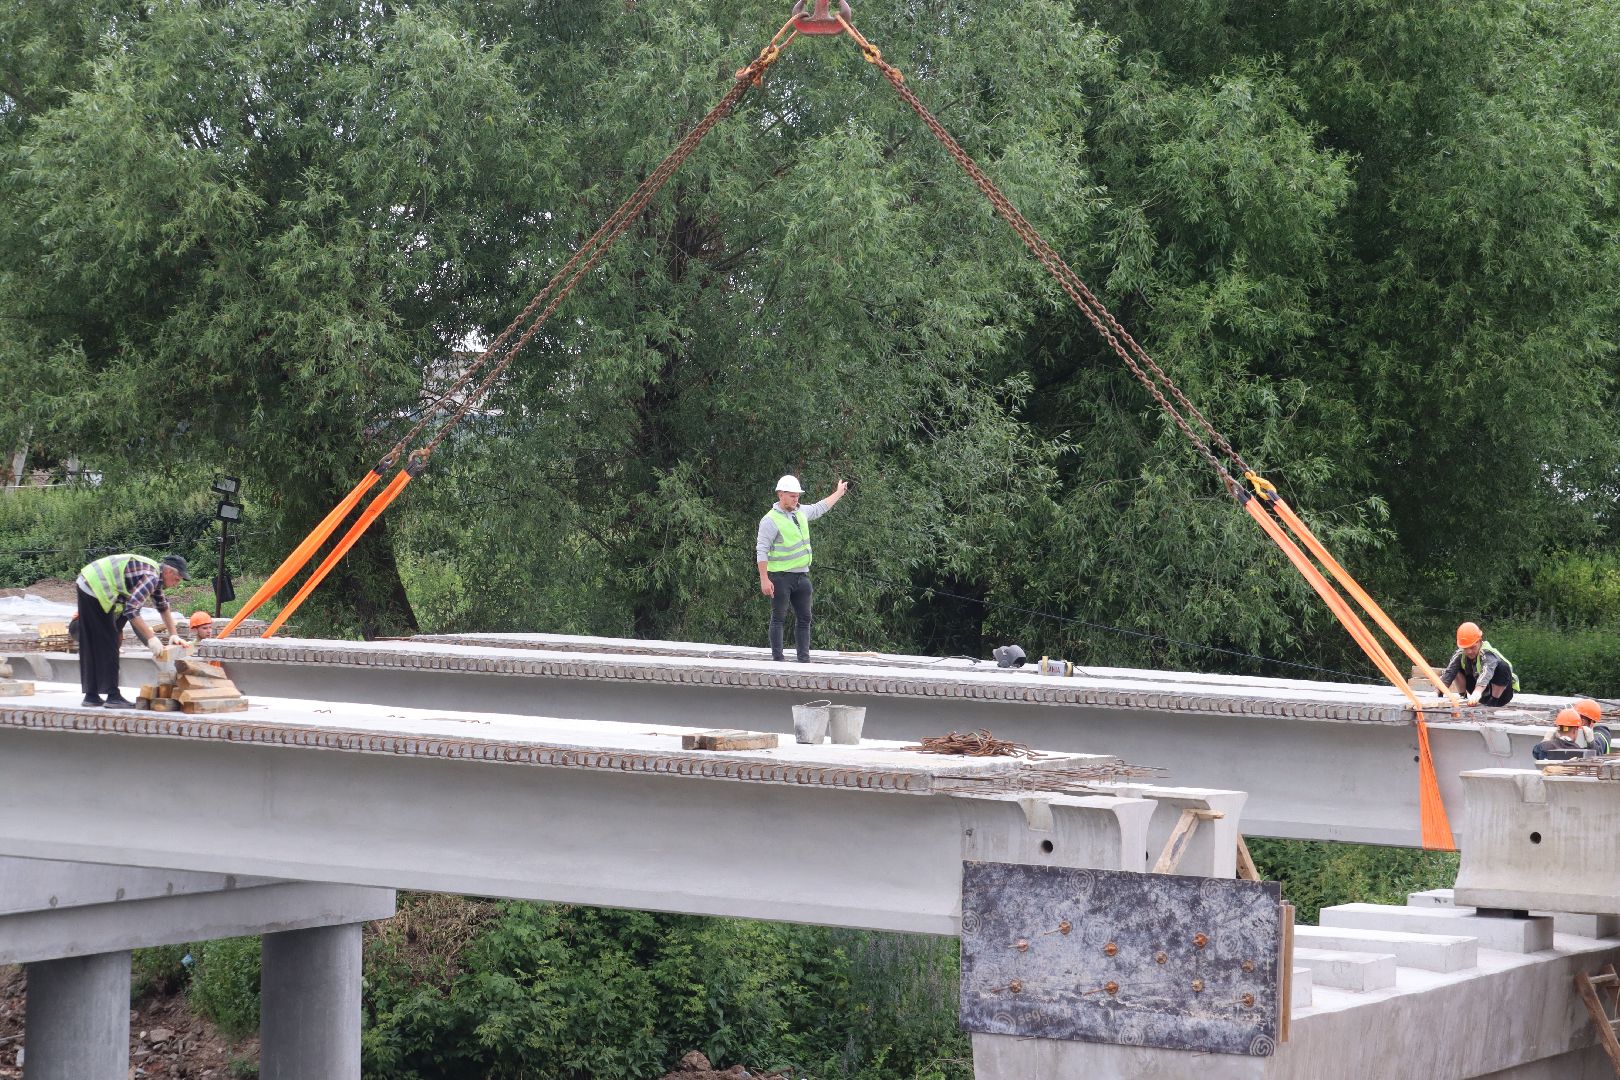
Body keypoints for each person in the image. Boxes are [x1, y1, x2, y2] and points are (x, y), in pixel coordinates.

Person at [75, 553, 188, 708]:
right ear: (169, 572)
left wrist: (174, 634)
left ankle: (91, 695)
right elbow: (132, 610)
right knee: (109, 641)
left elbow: (162, 606)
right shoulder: (152, 577)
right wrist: (151, 639)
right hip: (94, 586)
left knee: (97, 640)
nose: (176, 584)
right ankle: (112, 696)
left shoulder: (154, 576)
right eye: (177, 579)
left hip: (88, 581)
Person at [755, 474, 847, 662]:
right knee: (779, 617)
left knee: (805, 618)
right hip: (780, 577)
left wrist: (838, 493)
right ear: (780, 494)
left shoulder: (800, 512)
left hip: (801, 576)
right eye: (792, 495)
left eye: (797, 496)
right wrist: (764, 579)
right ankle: (778, 660)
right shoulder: (770, 520)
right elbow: (761, 550)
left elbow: (820, 507)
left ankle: (803, 659)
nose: (796, 499)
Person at [1437, 621, 1518, 707]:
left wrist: (1477, 692)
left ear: (1479, 641)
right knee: (1455, 667)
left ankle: (1493, 701)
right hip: (1480, 694)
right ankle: (1463, 697)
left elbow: (1487, 672)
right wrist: (1439, 692)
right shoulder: (1460, 653)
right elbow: (1449, 672)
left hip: (1502, 695)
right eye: (1465, 648)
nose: (1469, 652)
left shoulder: (1487, 653)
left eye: (1472, 647)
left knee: (1502, 667)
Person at [1532, 707, 1597, 761]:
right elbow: (1594, 757)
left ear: (1558, 729)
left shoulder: (1544, 747)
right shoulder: (1579, 751)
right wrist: (1591, 743)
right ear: (1575, 730)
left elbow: (1536, 753)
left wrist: (1546, 740)